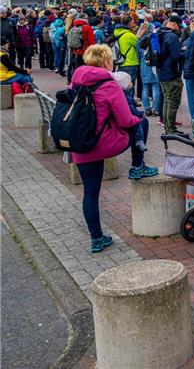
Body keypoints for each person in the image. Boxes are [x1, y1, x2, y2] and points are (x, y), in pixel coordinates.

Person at [70, 44, 158, 253]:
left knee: (90, 193)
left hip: (80, 143)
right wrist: (138, 117)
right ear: (106, 62)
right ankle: (137, 166)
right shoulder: (109, 84)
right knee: (142, 123)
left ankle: (96, 238)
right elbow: (126, 120)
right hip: (103, 143)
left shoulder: (75, 80)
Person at [156, 14, 185, 134]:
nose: (180, 29)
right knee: (173, 101)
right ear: (173, 24)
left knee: (167, 100)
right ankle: (171, 129)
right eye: (179, 26)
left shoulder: (159, 33)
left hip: (161, 72)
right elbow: (175, 56)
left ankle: (167, 126)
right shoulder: (172, 36)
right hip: (171, 73)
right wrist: (185, 52)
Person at [136, 23, 162, 117]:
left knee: (145, 87)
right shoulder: (154, 37)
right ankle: (156, 109)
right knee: (156, 87)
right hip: (153, 64)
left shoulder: (139, 40)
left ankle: (147, 109)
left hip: (144, 64)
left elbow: (138, 55)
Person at [113, 15, 140, 88]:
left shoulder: (116, 33)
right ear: (129, 22)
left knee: (122, 87)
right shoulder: (129, 35)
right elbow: (140, 45)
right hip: (130, 62)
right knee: (129, 87)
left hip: (119, 62)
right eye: (132, 21)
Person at [67, 14, 96, 83]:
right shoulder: (87, 27)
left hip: (75, 50)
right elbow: (91, 41)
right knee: (85, 68)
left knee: (75, 67)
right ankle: (83, 82)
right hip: (85, 51)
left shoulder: (74, 26)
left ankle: (72, 81)